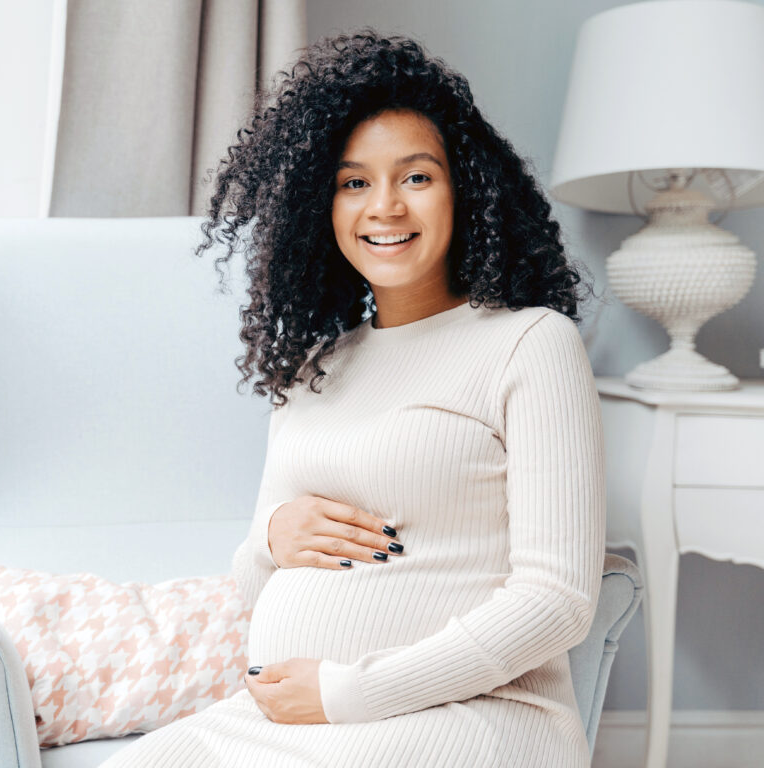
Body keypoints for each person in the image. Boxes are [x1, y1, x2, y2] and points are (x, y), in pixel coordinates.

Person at [100, 28, 605, 768]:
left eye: (417, 177)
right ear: (321, 207)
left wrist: (346, 693)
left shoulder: (529, 343)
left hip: (469, 713)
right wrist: (275, 538)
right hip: (287, 717)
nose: (386, 208)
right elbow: (251, 579)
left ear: (465, 187)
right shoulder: (314, 367)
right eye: (354, 182)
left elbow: (557, 600)